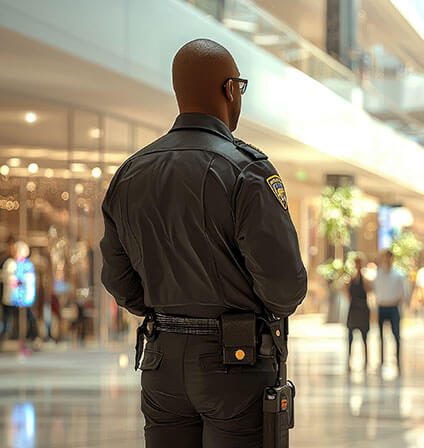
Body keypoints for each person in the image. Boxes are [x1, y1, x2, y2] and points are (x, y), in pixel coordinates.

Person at [100, 39, 307, 447]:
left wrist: (165, 308)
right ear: (229, 90)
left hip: (161, 364)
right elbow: (284, 288)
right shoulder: (247, 172)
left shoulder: (130, 174)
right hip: (236, 365)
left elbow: (119, 279)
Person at [373, 250, 408, 374]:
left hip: (393, 307)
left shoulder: (399, 275)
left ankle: (398, 361)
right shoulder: (378, 274)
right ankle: (381, 361)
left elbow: (403, 293)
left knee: (396, 336)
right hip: (382, 307)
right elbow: (375, 290)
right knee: (381, 337)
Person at [345, 254, 371, 372]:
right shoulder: (351, 278)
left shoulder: (365, 277)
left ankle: (366, 361)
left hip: (362, 309)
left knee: (364, 337)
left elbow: (369, 290)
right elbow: (347, 293)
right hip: (354, 309)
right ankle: (349, 360)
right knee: (350, 337)